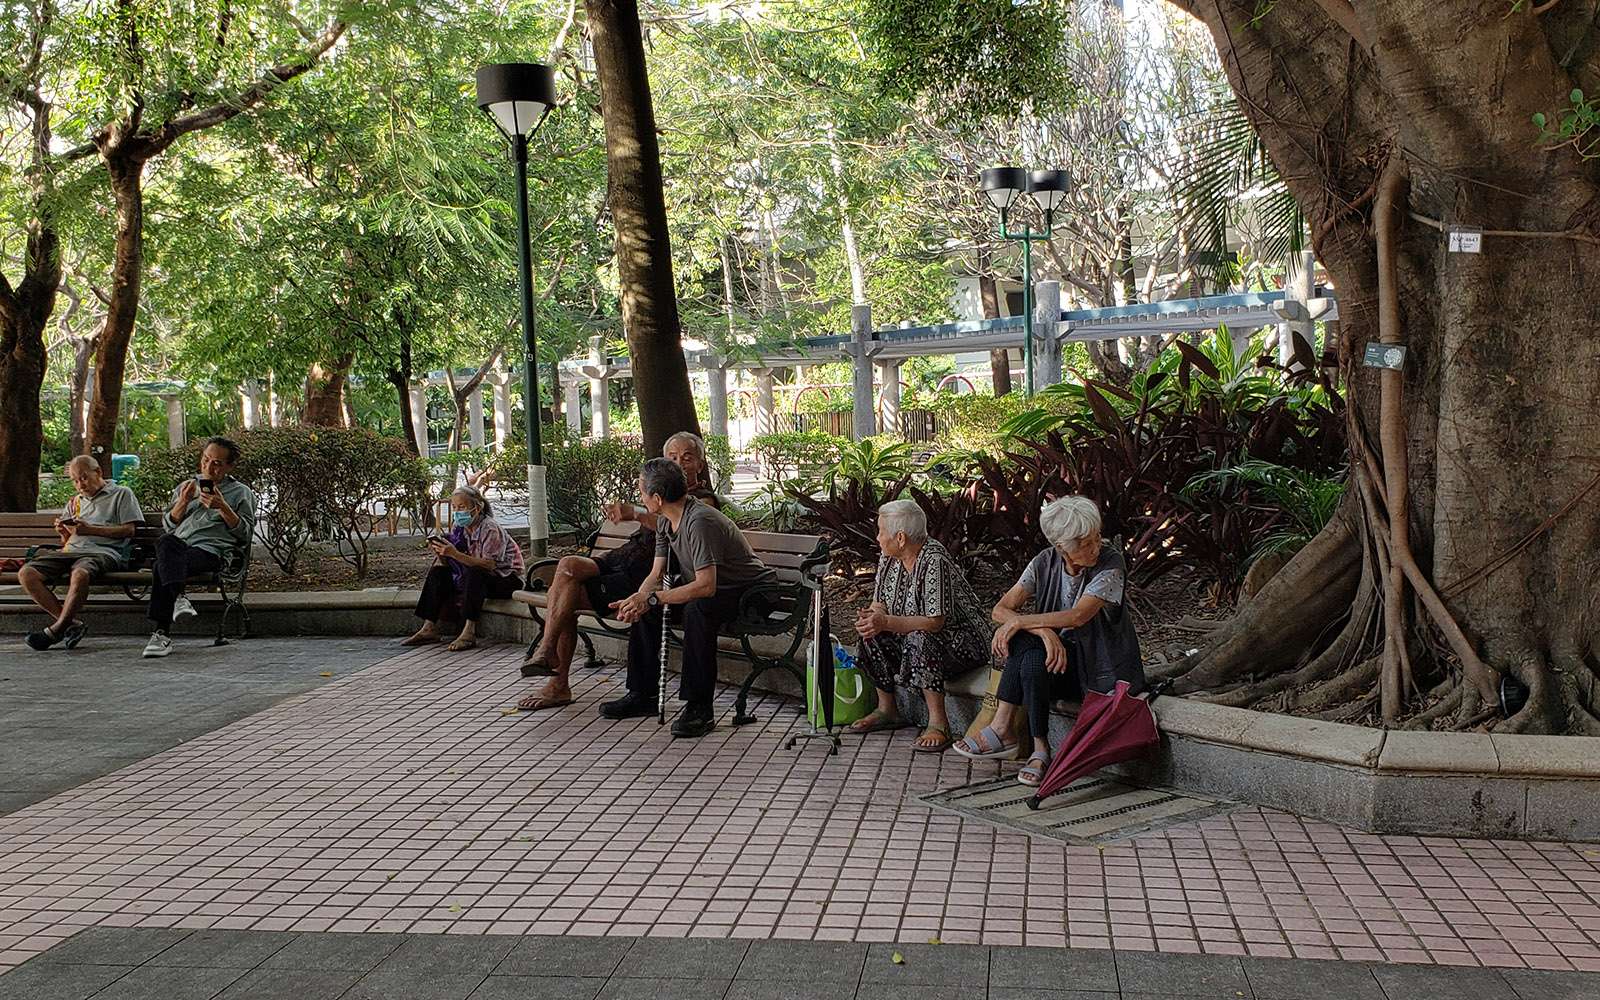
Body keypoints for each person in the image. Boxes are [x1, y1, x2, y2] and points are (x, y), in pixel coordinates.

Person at [516, 431, 720, 712]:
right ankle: (547, 652)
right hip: (621, 560)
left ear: (700, 464)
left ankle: (557, 682)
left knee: (565, 596)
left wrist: (636, 513)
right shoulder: (662, 501)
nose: (680, 463)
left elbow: (674, 527)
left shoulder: (702, 503)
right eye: (672, 457)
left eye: (688, 457)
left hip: (639, 577)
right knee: (567, 567)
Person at [955, 495, 1145, 786]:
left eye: (1096, 538)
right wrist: (1042, 631)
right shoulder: (1044, 562)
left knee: (1020, 639)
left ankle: (1010, 733)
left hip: (1096, 671)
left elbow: (1078, 616)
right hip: (1054, 663)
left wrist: (1020, 622)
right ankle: (1039, 747)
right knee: (1028, 653)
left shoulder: (1111, 562)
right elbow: (1000, 609)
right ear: (1061, 548)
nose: (1095, 547)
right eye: (1084, 544)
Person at [605, 458, 774, 738]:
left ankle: (699, 707)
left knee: (698, 608)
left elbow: (706, 586)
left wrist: (654, 598)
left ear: (657, 499)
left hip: (752, 593)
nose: (640, 497)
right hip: (718, 590)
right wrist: (639, 598)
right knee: (648, 609)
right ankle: (641, 693)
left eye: (642, 492)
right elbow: (657, 574)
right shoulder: (664, 522)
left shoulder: (699, 522)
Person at [847, 499, 992, 753]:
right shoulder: (888, 557)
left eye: (881, 531)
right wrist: (873, 617)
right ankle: (887, 709)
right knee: (871, 634)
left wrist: (887, 622)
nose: (878, 537)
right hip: (916, 633)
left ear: (900, 537)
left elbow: (934, 622)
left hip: (963, 640)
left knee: (919, 638)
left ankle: (939, 723)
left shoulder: (933, 559)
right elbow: (879, 603)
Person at [143, 437, 257, 659]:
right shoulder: (186, 487)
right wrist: (183, 502)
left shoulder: (241, 493)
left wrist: (223, 507)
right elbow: (169, 524)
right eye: (205, 460)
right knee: (167, 542)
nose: (208, 467)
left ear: (229, 467)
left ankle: (161, 633)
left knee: (161, 565)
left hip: (212, 551)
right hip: (180, 547)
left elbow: (244, 534)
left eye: (216, 463)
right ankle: (177, 600)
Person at [20, 456, 145, 651]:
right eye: (75, 480)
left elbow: (129, 531)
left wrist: (92, 530)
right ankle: (72, 625)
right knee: (27, 574)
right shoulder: (75, 502)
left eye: (84, 478)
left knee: (80, 574)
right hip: (72, 550)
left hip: (104, 551)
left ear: (99, 473)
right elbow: (68, 540)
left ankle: (56, 630)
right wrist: (63, 533)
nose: (80, 485)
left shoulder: (121, 494)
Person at [404, 486, 525, 652]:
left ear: (477, 507)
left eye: (462, 507)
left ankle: (469, 631)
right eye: (454, 507)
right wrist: (442, 553)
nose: (457, 511)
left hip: (505, 578)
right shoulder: (460, 528)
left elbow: (489, 565)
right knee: (438, 573)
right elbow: (451, 563)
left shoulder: (490, 528)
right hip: (473, 575)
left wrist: (454, 554)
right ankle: (429, 627)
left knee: (476, 573)